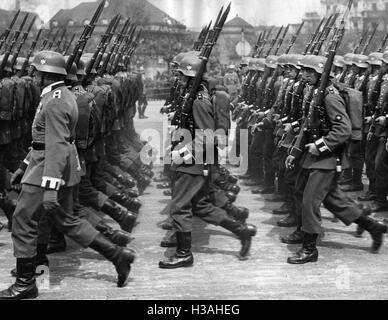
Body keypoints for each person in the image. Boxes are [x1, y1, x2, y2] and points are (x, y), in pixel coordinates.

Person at [0, 51, 136, 300]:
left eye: (36, 72)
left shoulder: (55, 101)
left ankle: (25, 282)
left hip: (47, 171)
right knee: (64, 221)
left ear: (46, 74)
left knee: (22, 219)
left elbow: (57, 144)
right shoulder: (58, 96)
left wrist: (50, 186)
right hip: (49, 165)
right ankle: (117, 255)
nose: (32, 75)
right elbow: (43, 139)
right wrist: (23, 165)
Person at [284, 55, 387, 265]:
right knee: (332, 200)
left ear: (321, 74)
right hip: (312, 156)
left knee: (309, 201)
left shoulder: (330, 96)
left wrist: (320, 145)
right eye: (303, 70)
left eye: (309, 72)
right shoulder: (315, 92)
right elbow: (308, 124)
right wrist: (295, 152)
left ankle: (309, 249)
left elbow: (343, 129)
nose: (304, 74)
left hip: (327, 158)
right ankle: (372, 226)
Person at [158, 53, 256, 269]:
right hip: (196, 159)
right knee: (201, 206)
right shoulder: (195, 97)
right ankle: (242, 230)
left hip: (194, 162)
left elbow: (207, 136)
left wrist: (180, 154)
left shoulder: (199, 101)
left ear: (192, 78)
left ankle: (184, 253)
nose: (180, 81)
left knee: (179, 207)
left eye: (183, 77)